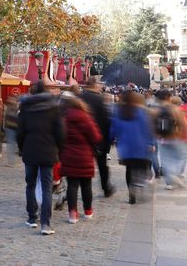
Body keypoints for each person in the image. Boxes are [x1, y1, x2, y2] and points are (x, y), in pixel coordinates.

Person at [17, 81, 64, 235]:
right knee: (46, 187)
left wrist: (22, 148)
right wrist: (58, 148)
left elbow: (20, 132)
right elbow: (60, 133)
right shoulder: (53, 108)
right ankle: (45, 223)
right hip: (48, 151)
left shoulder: (25, 108)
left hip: (30, 150)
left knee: (30, 184)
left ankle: (31, 217)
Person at [58, 94, 102, 224]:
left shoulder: (63, 119)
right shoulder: (86, 118)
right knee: (86, 185)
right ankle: (88, 211)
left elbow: (60, 137)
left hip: (68, 155)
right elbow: (96, 137)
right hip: (85, 156)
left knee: (72, 185)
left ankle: (73, 214)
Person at [110, 91, 155, 204]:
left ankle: (131, 195)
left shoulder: (120, 112)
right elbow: (149, 129)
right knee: (142, 168)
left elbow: (114, 129)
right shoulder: (143, 112)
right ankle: (140, 184)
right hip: (141, 146)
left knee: (129, 170)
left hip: (126, 148)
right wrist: (151, 143)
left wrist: (110, 140)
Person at [80, 77, 115, 197]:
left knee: (82, 166)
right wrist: (108, 139)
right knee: (102, 165)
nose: (100, 86)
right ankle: (106, 188)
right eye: (99, 84)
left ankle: (78, 187)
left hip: (82, 138)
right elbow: (107, 120)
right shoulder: (100, 100)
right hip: (99, 138)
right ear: (94, 85)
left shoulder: (79, 98)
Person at [153, 90, 187, 190]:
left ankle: (169, 183)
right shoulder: (175, 109)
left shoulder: (156, 110)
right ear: (169, 97)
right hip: (175, 138)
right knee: (178, 159)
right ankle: (175, 176)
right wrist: (181, 136)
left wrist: (157, 135)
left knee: (165, 160)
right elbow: (183, 124)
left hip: (163, 139)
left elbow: (151, 125)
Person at [3, 96, 20, 166]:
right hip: (10, 129)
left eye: (12, 99)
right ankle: (11, 162)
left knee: (13, 145)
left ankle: (12, 161)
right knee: (11, 145)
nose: (10, 100)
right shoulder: (8, 107)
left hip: (15, 128)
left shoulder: (17, 108)